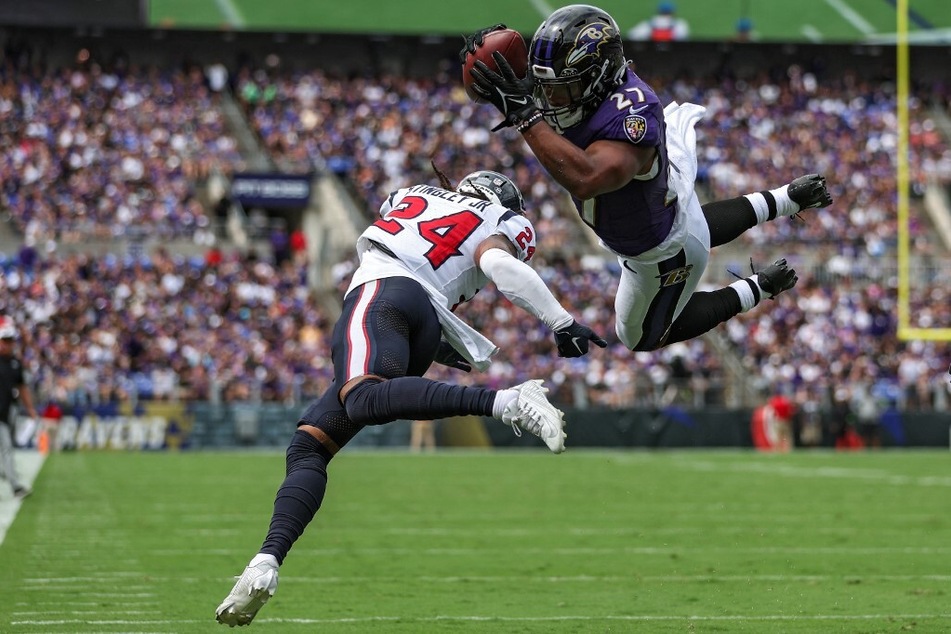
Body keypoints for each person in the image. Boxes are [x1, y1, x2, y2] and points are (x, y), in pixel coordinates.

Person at [215, 168, 606, 626]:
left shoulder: (415, 194)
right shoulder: (500, 222)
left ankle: (506, 402)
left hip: (383, 294)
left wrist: (559, 321)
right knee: (309, 444)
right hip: (423, 325)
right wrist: (560, 321)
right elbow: (498, 266)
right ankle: (266, 563)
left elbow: (413, 230)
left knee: (361, 398)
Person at [463, 5, 833, 353]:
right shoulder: (591, 87)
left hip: (659, 253)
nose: (548, 96)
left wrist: (526, 115)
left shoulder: (632, 115)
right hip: (665, 206)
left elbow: (586, 177)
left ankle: (760, 286)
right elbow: (544, 88)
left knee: (638, 337)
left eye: (560, 87)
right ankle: (789, 198)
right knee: (695, 224)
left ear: (597, 78)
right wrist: (498, 70)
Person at [0, 318, 38, 499]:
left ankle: (11, 481)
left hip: (6, 413)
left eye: (9, 341)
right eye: (4, 341)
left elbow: (22, 388)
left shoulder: (15, 364)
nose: (7, 345)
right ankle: (15, 486)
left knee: (6, 447)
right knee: (6, 447)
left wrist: (30, 408)